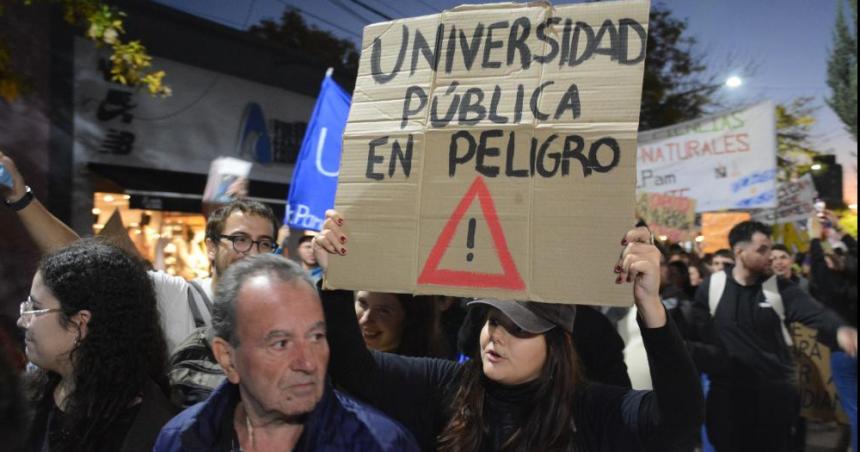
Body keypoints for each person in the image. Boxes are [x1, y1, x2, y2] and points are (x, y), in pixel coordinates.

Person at [314, 210, 704, 451]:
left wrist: (651, 307)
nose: (496, 335)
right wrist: (335, 280)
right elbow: (354, 368)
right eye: (493, 320)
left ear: (556, 345)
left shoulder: (591, 409)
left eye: (519, 328)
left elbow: (678, 424)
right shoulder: (451, 385)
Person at [0, 151, 281, 353]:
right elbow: (82, 261)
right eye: (240, 239)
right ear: (210, 247)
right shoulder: (175, 297)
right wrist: (21, 198)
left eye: (264, 243)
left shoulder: (283, 312)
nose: (252, 252)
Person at [153, 254, 419, 451]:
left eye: (316, 337)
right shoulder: (180, 439)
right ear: (227, 358)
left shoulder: (380, 444)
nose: (308, 362)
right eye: (280, 343)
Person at [687, 220, 858, 452]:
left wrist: (840, 329)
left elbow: (815, 313)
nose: (770, 256)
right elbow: (698, 332)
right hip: (726, 398)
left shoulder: (779, 288)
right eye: (762, 250)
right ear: (739, 252)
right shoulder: (712, 287)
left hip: (773, 397)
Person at [19, 240, 175, 452]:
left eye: (35, 309)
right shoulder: (29, 398)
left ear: (80, 323)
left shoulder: (151, 430)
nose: (22, 321)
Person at [355, 291, 450, 358]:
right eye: (362, 303)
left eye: (383, 311)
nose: (365, 319)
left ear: (409, 318)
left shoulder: (419, 377)